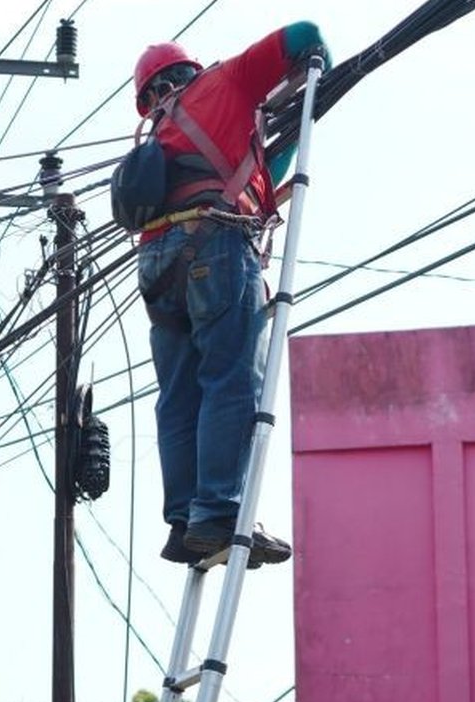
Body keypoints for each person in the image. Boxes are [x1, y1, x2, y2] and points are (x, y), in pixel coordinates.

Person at [131, 23, 329, 566]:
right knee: (232, 379)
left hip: (157, 265)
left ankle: (184, 520)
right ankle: (217, 514)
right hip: (215, 246)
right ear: (189, 72)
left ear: (147, 96)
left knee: (179, 395)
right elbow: (305, 34)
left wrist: (280, 148)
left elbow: (252, 176)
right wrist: (322, 76)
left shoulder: (158, 136)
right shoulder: (227, 83)